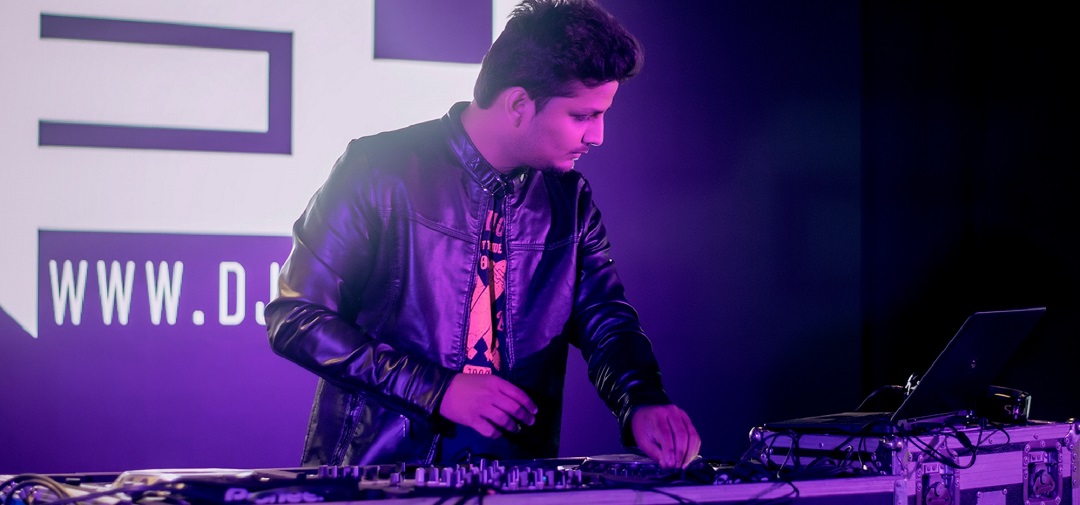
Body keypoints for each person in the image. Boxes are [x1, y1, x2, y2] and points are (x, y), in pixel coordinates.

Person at [266, 0, 700, 469]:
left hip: (513, 478)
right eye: (582, 116)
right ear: (518, 104)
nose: (597, 136)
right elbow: (295, 317)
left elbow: (605, 319)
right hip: (374, 475)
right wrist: (436, 390)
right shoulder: (377, 168)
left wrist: (642, 399)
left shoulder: (570, 201)